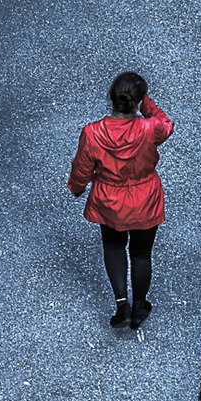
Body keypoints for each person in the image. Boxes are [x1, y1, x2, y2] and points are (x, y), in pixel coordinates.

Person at [67, 71, 174, 330]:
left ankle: (121, 304)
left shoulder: (92, 133)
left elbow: (82, 167)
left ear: (111, 99)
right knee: (140, 253)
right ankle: (140, 307)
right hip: (145, 199)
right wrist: (145, 102)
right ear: (137, 102)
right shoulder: (149, 129)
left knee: (114, 247)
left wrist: (77, 187)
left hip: (110, 200)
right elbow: (166, 123)